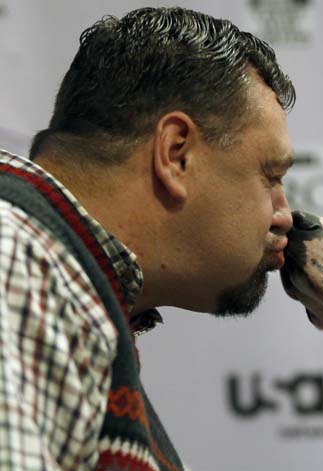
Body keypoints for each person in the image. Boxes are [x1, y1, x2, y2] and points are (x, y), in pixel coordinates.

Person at [0, 6, 295, 471]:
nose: (285, 215)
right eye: (270, 175)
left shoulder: (64, 286)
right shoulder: (13, 259)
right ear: (175, 153)